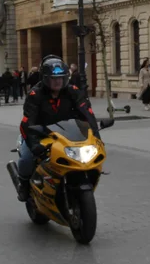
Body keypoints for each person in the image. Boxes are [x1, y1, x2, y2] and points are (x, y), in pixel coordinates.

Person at [15, 56, 99, 201]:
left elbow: (87, 113)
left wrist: (96, 137)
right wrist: (34, 144)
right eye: (53, 78)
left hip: (66, 134)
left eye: (61, 77)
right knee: (26, 159)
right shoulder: (35, 95)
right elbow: (28, 122)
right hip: (38, 133)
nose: (58, 81)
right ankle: (23, 185)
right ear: (45, 78)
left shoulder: (73, 91)